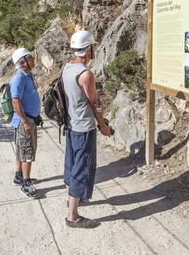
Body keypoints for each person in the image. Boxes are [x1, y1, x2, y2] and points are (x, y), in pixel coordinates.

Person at [62, 30, 112, 228]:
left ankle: (71, 198)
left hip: (71, 124)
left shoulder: (67, 68)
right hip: (84, 127)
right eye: (93, 46)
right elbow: (95, 105)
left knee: (71, 164)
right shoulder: (86, 74)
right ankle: (72, 216)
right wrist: (104, 126)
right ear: (88, 49)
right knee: (82, 168)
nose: (95, 49)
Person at [10, 47, 42, 199]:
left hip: (30, 119)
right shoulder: (19, 78)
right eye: (30, 58)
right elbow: (15, 102)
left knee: (21, 149)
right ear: (22, 63)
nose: (33, 59)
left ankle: (19, 176)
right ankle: (26, 184)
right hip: (25, 122)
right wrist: (25, 121)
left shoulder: (27, 76)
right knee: (27, 152)